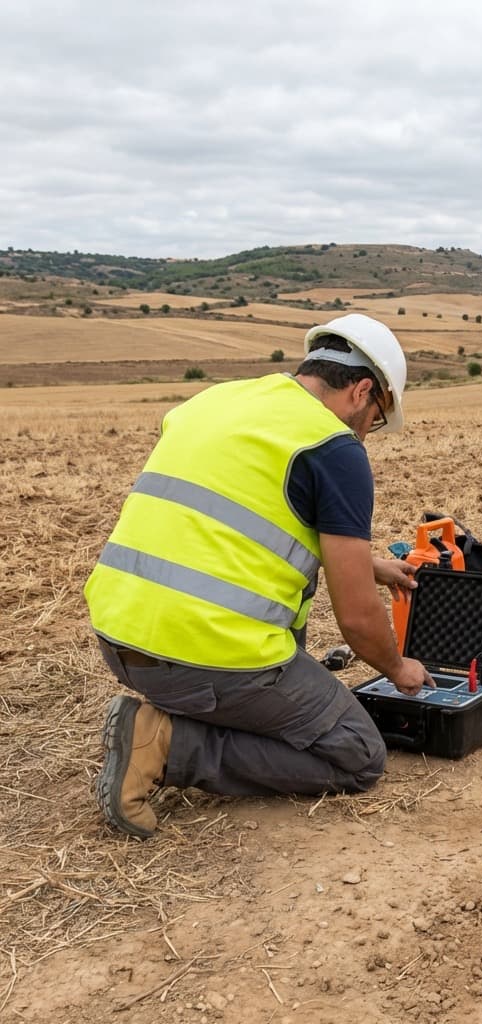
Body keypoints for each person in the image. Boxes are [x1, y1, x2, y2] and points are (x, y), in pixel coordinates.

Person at [84, 314, 434, 839]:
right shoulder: (334, 447)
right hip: (196, 656)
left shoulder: (217, 400)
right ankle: (165, 745)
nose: (367, 432)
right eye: (376, 418)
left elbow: (236, 530)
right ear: (362, 391)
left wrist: (372, 565)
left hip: (119, 640)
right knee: (358, 754)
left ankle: (189, 714)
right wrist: (398, 666)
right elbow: (360, 621)